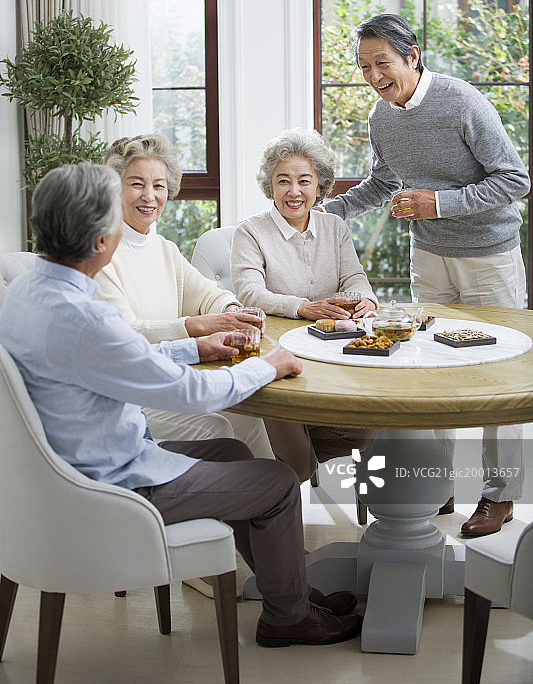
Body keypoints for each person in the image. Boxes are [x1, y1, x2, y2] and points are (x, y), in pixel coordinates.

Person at [0, 162, 363, 647]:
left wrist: (195, 348)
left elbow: (112, 359)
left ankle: (290, 593)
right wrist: (271, 365)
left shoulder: (24, 292)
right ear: (101, 240)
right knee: (276, 480)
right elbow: (191, 394)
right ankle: (287, 617)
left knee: (236, 454)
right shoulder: (89, 319)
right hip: (115, 486)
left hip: (64, 472)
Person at [324, 12, 530, 537]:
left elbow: (514, 179)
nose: (373, 75)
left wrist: (438, 203)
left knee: (497, 377)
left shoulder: (460, 101)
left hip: (489, 255)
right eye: (364, 65)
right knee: (426, 367)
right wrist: (330, 213)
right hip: (429, 257)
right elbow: (381, 183)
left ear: (412, 55)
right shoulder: (382, 117)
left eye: (382, 63)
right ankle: (432, 485)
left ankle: (499, 495)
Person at [94, 134, 273, 462]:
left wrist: (233, 310)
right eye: (137, 184)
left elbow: (206, 294)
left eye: (159, 186)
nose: (149, 196)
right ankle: (233, 503)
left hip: (169, 380)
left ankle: (261, 505)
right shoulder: (100, 253)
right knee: (215, 427)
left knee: (249, 417)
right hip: (129, 399)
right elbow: (126, 334)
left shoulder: (163, 248)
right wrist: (196, 325)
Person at [231, 128, 377, 482]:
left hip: (335, 351)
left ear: (319, 186)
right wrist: (303, 308)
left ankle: (292, 463)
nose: (294, 191)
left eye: (304, 181)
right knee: (293, 450)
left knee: (373, 427)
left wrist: (366, 299)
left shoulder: (335, 226)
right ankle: (292, 474)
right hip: (276, 354)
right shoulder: (251, 231)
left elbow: (354, 278)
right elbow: (249, 292)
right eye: (283, 181)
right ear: (270, 186)